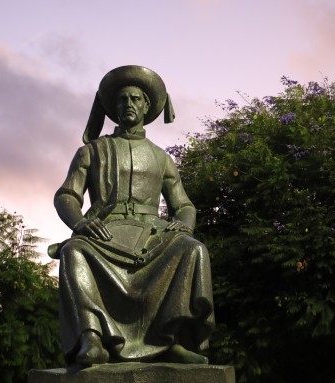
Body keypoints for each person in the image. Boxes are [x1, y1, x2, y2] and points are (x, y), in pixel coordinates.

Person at [48, 65, 214, 367]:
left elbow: (184, 205)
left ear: (147, 106)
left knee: (193, 249)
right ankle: (92, 338)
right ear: (112, 108)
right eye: (122, 99)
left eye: (136, 99)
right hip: (105, 234)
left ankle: (170, 339)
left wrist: (184, 225)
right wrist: (81, 223)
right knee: (73, 251)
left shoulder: (161, 157)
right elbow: (67, 196)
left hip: (153, 237)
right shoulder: (92, 151)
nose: (128, 104)